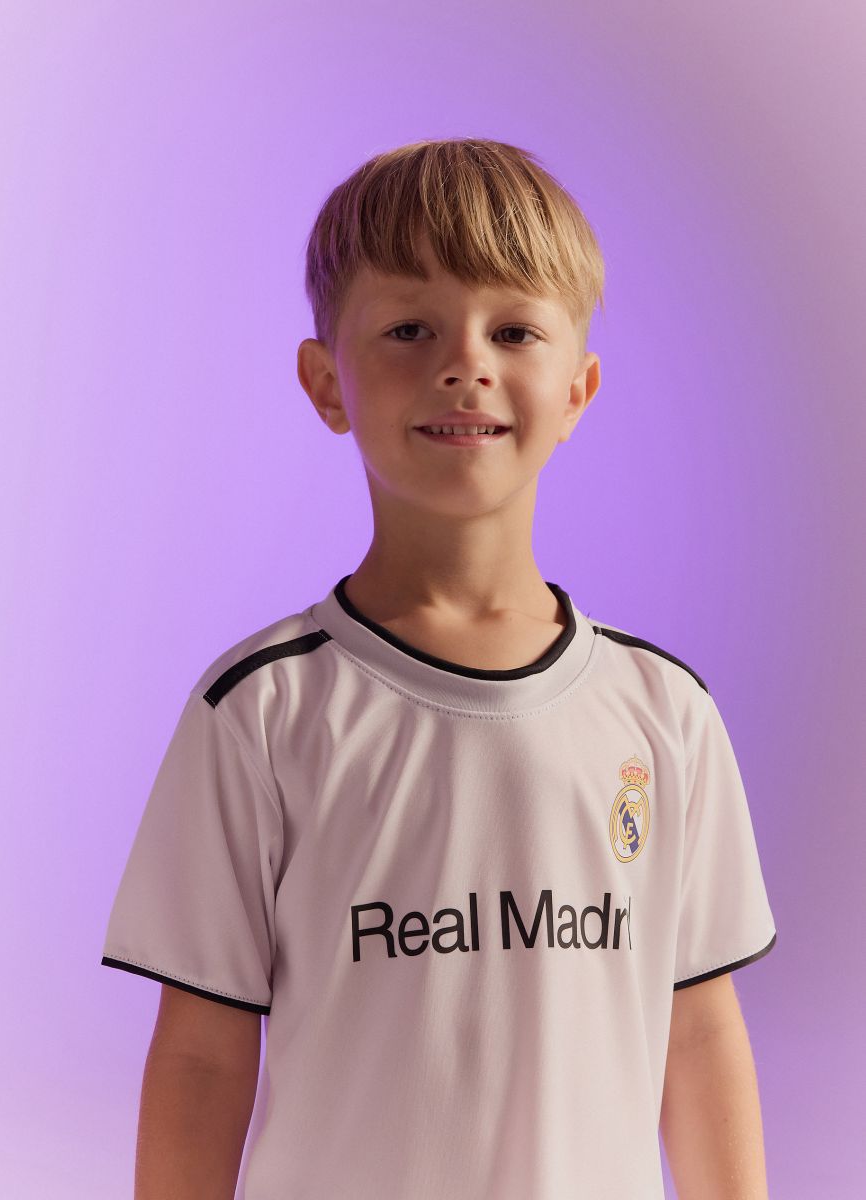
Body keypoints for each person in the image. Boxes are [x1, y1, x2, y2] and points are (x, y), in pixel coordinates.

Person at [101, 137, 777, 1199]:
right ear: (326, 381)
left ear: (578, 390)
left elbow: (695, 1032)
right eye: (411, 329)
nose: (466, 364)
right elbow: (200, 1055)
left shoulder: (664, 712)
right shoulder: (263, 710)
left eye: (514, 330)